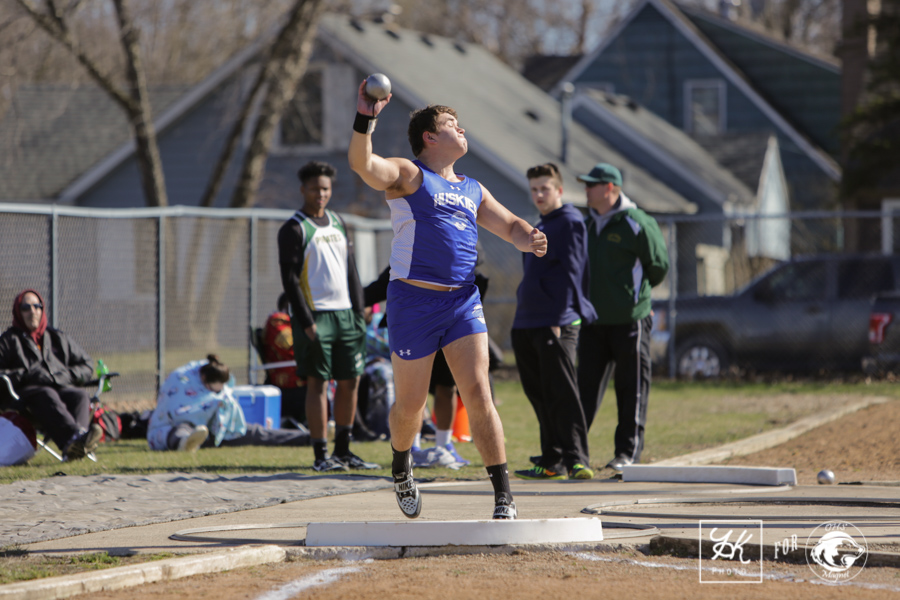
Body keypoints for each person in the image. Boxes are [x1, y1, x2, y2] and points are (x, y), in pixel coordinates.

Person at [348, 82, 548, 520]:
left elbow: (511, 225)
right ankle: (401, 466)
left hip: (461, 302)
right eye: (452, 125)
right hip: (412, 303)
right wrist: (366, 118)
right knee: (410, 406)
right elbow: (363, 164)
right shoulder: (410, 174)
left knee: (477, 393)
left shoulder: (472, 189)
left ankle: (503, 496)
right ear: (430, 138)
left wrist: (529, 237)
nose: (463, 130)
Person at [278, 160, 379, 472]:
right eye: (314, 188)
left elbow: (351, 270)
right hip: (316, 318)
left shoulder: (337, 222)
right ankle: (321, 456)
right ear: (303, 190)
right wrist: (306, 322)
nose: (320, 194)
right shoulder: (294, 228)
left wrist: (360, 310)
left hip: (347, 315)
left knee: (351, 382)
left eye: (325, 188)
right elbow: (290, 281)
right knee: (317, 384)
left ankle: (344, 450)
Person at [576, 163, 669, 473]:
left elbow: (658, 266)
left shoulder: (636, 222)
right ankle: (574, 455)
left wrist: (636, 299)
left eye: (592, 184)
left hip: (630, 320)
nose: (586, 189)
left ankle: (627, 454)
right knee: (584, 389)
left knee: (631, 388)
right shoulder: (587, 225)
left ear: (610, 189)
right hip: (593, 321)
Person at [512, 163, 597, 481]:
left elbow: (575, 271)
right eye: (534, 189)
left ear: (559, 190)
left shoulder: (570, 222)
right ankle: (552, 461)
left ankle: (577, 459)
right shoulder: (540, 224)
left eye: (544, 188)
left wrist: (563, 316)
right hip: (527, 320)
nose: (538, 194)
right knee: (539, 393)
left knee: (562, 391)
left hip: (556, 320)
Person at [0, 289, 102, 461]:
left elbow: (86, 364)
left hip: (60, 389)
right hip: (26, 399)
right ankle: (75, 441)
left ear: (42, 309)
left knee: (80, 395)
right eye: (26, 307)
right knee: (46, 394)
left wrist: (62, 376)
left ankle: (77, 444)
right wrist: (26, 374)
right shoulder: (8, 340)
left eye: (36, 306)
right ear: (18, 312)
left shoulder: (57, 337)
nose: (32, 311)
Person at [147, 355, 311, 451]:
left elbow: (223, 399)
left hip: (221, 429)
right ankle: (187, 443)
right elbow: (176, 410)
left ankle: (308, 438)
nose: (218, 394)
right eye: (213, 390)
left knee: (256, 432)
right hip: (182, 426)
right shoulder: (181, 380)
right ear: (204, 379)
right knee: (180, 431)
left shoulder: (218, 386)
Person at [260, 293, 307, 426]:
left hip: (302, 381)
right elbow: (293, 350)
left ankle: (349, 428)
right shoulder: (277, 322)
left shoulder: (294, 323)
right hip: (290, 386)